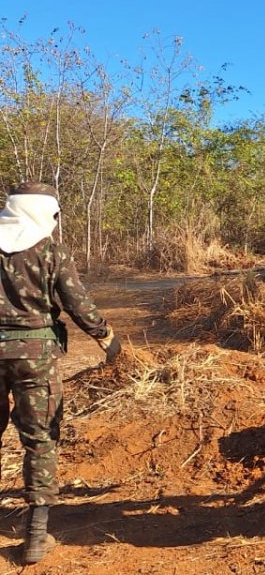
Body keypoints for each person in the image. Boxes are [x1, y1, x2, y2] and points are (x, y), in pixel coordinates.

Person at [0, 182, 122, 564]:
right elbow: (76, 302)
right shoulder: (50, 251)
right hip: (34, 355)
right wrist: (105, 335)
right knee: (39, 439)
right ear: (46, 212)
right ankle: (36, 536)